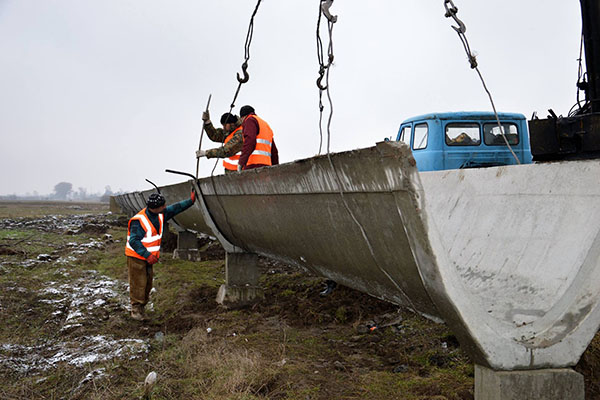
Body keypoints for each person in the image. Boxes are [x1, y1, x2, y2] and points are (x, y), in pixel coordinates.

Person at [125, 191, 196, 321]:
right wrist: (147, 255)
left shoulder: (160, 214)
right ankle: (136, 310)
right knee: (138, 283)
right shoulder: (139, 221)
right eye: (163, 206)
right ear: (155, 207)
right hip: (136, 256)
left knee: (147, 283)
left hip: (148, 256)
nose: (165, 207)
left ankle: (142, 307)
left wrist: (190, 201)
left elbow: (176, 208)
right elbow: (134, 241)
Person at [238, 105, 279, 171]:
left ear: (243, 117)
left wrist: (241, 162)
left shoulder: (249, 120)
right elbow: (274, 151)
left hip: (253, 166)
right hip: (267, 167)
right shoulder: (265, 124)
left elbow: (250, 141)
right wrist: (275, 168)